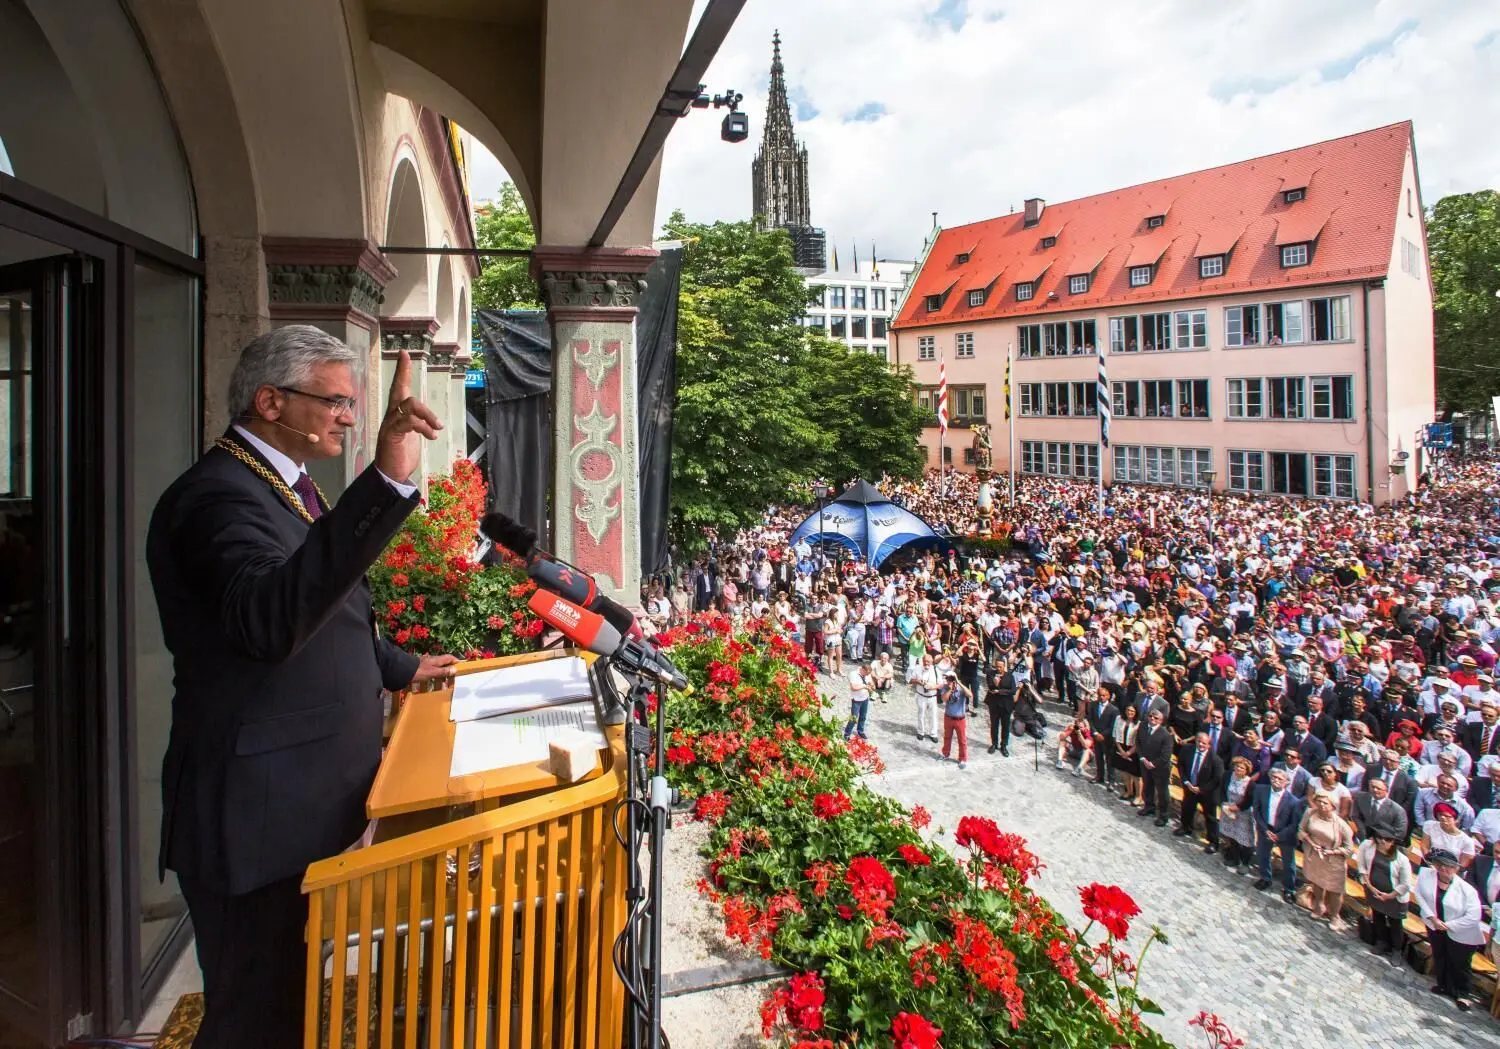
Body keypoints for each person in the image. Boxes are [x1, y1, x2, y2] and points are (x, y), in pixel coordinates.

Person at [147, 328, 457, 1049]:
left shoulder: (278, 481)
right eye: (337, 401)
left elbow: (326, 608)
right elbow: (270, 622)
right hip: (255, 818)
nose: (351, 416)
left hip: (293, 806)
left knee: (286, 999)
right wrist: (383, 481)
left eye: (353, 403)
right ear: (270, 401)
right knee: (253, 1016)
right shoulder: (213, 500)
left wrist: (396, 665)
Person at [1416, 849, 1486, 1010]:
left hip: (1461, 933)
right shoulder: (1426, 875)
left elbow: (1474, 916)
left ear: (1456, 868)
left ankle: (1463, 993)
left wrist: (1449, 926)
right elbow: (1419, 893)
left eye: (1447, 867)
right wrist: (1432, 917)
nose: (1443, 870)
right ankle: (1444, 985)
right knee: (1440, 955)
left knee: (1460, 963)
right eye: (1439, 865)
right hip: (1435, 924)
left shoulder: (1467, 890)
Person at [1297, 789, 1355, 931]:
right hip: (1315, 855)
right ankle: (1319, 905)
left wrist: (1332, 851)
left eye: (1325, 803)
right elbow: (1301, 830)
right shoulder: (1310, 813)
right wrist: (1309, 841)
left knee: (1335, 889)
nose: (1322, 805)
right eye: (1319, 802)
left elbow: (1349, 849)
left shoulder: (1341, 825)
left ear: (1332, 806)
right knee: (1317, 882)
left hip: (1334, 861)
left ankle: (1335, 915)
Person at [1357, 831, 1414, 960]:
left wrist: (1389, 896)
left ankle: (1397, 950)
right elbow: (1362, 865)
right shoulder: (1368, 847)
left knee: (1395, 923)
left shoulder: (1402, 860)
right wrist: (1370, 886)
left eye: (1387, 839)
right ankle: (1381, 942)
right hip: (1374, 891)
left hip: (1394, 897)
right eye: (1380, 838)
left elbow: (1405, 884)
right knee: (1378, 916)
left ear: (1393, 842)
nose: (1383, 842)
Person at [1253, 767, 1306, 901]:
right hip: (1266, 828)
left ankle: (1289, 888)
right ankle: (1265, 878)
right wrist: (1265, 829)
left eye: (1280, 779)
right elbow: (1257, 811)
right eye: (1274, 777)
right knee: (1263, 855)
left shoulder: (1294, 801)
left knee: (1288, 863)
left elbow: (1295, 823)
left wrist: (1279, 835)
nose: (1276, 780)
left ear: (1286, 782)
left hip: (1285, 834)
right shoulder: (1261, 790)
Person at [1175, 730, 1225, 853]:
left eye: (1204, 743)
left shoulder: (1216, 760)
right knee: (1187, 808)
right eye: (1199, 742)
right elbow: (1181, 765)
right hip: (1190, 787)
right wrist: (1186, 782)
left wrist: (1201, 789)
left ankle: (1213, 842)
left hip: (1208, 793)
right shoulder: (1187, 750)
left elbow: (1217, 779)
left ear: (1209, 745)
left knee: (1210, 817)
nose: (1201, 745)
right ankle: (1186, 827)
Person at [1219, 755, 1257, 874]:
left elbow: (1249, 800)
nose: (1238, 769)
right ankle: (1234, 858)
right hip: (1228, 810)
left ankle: (1245, 863)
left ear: (1247, 771)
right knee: (1232, 836)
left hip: (1243, 813)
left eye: (1242, 768)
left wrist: (1236, 807)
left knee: (1245, 840)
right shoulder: (1228, 775)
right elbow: (1222, 790)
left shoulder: (1250, 784)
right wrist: (1225, 805)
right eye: (1237, 766)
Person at [1137, 707, 1174, 827]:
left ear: (1161, 720)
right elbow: (1138, 742)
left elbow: (1166, 755)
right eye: (1150, 716)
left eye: (1156, 717)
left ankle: (1163, 816)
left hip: (1160, 768)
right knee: (1148, 786)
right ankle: (1149, 807)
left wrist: (1153, 763)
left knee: (1162, 792)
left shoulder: (1166, 735)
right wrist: (1142, 758)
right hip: (1145, 763)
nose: (1152, 719)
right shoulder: (1143, 726)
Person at [939, 669, 973, 769]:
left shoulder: (961, 688)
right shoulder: (945, 687)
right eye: (947, 678)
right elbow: (944, 699)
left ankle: (963, 758)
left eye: (950, 679)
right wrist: (950, 689)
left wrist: (958, 683)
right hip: (948, 717)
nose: (948, 680)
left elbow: (970, 695)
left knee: (962, 740)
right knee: (947, 737)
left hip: (960, 718)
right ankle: (945, 753)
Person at [1111, 703, 1142, 806]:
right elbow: (1115, 734)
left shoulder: (1139, 724)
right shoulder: (1119, 719)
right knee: (1124, 771)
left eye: (1132, 711)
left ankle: (1138, 796)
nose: (1130, 713)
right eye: (1128, 710)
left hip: (1133, 750)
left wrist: (1129, 753)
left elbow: (1138, 741)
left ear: (1136, 713)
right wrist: (1121, 751)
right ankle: (1129, 791)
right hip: (1121, 747)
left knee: (1136, 775)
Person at [984, 656, 1016, 756]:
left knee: (1005, 726)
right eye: (997, 666)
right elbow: (991, 688)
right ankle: (994, 743)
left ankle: (1004, 745)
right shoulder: (991, 675)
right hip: (994, 704)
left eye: (1000, 667)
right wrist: (996, 684)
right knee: (994, 725)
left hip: (1006, 705)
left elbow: (1013, 690)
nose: (998, 668)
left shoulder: (1010, 676)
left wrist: (1000, 691)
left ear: (1004, 666)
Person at [913, 653, 940, 743]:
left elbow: (941, 684)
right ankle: (921, 732)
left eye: (928, 661)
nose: (926, 663)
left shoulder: (936, 670)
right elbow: (909, 680)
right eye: (924, 661)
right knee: (921, 714)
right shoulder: (917, 669)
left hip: (932, 697)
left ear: (931, 662)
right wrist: (918, 681)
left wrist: (932, 687)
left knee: (933, 716)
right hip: (921, 696)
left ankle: (933, 733)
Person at [845, 660, 872, 741]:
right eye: (866, 673)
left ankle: (860, 731)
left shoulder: (867, 674)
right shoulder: (853, 674)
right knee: (854, 718)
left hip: (865, 698)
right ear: (863, 670)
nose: (867, 675)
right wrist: (864, 686)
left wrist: (871, 684)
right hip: (856, 699)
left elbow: (870, 681)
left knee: (863, 716)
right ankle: (847, 733)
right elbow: (853, 688)